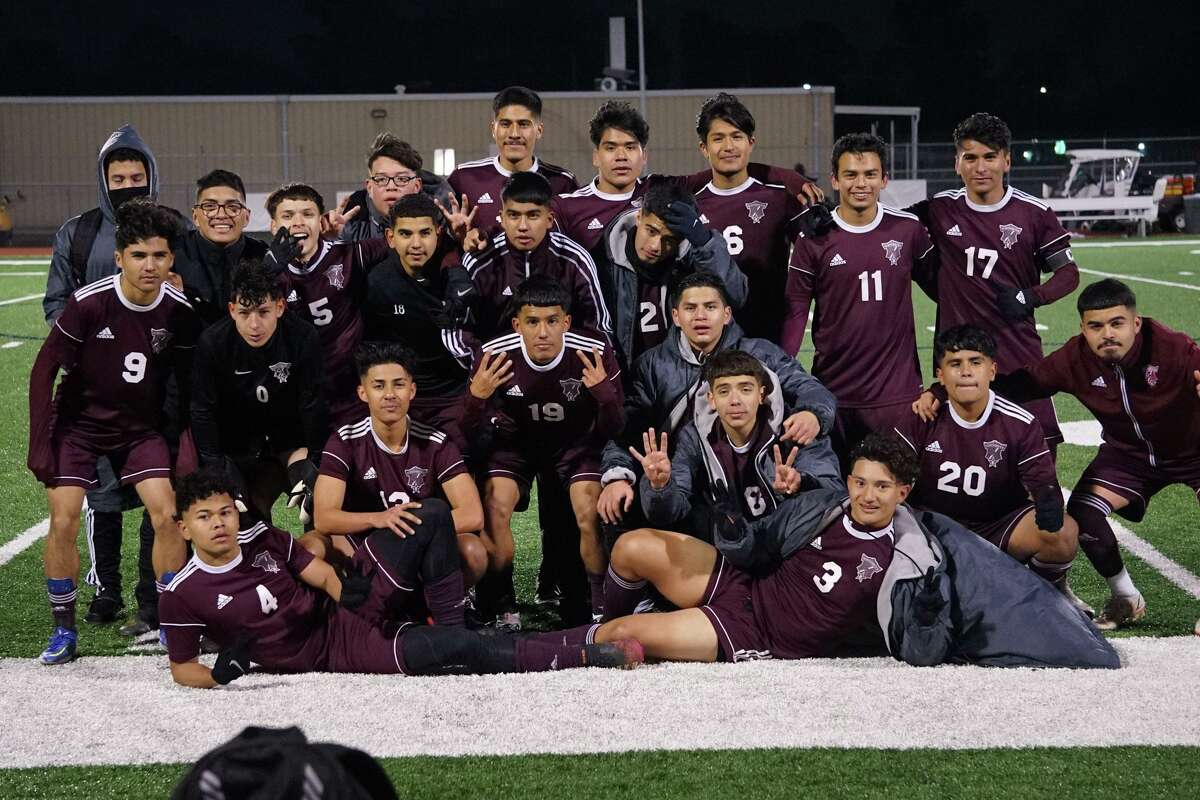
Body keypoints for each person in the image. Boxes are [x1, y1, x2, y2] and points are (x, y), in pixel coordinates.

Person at [158, 470, 643, 688]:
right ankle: (583, 648)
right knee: (459, 653)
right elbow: (182, 668)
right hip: (335, 653)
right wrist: (217, 676)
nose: (220, 523)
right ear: (184, 528)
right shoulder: (182, 593)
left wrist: (340, 588)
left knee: (429, 513)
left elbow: (313, 568)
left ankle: (451, 620)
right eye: (205, 517)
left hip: (342, 612)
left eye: (225, 512)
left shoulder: (262, 537)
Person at [917, 279, 1200, 629]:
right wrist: (943, 389)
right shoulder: (1074, 358)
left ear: (1136, 323)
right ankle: (1126, 596)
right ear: (1082, 328)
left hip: (1194, 454)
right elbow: (1020, 384)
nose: (1107, 334)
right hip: (1129, 456)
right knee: (1082, 514)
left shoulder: (1174, 349)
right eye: (1096, 326)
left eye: (1117, 324)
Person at [552, 435, 913, 663]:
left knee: (623, 636)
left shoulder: (908, 556)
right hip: (746, 581)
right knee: (633, 546)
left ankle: (515, 654)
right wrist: (733, 533)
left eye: (882, 487)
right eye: (861, 483)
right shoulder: (828, 504)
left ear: (903, 492)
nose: (868, 495)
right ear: (850, 482)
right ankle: (602, 622)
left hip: (753, 630)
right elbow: (762, 541)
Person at [27, 199, 200, 664]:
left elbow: (187, 381)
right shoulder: (89, 303)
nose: (150, 265)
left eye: (160, 256)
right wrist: (39, 442)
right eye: (139, 255)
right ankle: (63, 629)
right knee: (63, 518)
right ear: (119, 256)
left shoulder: (179, 310)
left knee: (167, 516)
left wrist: (184, 441)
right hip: (79, 427)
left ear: (171, 260)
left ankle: (169, 619)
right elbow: (43, 372)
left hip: (139, 429)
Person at [598, 273, 839, 530]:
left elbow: (810, 388)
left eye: (710, 307)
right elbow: (629, 427)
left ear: (726, 315)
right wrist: (617, 474)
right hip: (678, 472)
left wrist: (813, 413)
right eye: (690, 308)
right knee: (623, 514)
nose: (700, 316)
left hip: (750, 471)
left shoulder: (760, 354)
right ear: (676, 317)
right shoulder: (652, 365)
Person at [43, 124, 162, 629]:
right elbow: (55, 303)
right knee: (101, 496)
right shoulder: (80, 232)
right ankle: (106, 590)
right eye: (119, 177)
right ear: (103, 180)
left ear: (151, 177)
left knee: (160, 495)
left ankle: (150, 595)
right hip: (93, 392)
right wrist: (86, 345)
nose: (128, 185)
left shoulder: (169, 228)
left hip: (153, 389)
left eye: (137, 176)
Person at [909, 113, 1079, 454]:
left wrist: (1031, 296)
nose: (980, 167)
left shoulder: (1034, 213)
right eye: (970, 157)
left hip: (1019, 356)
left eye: (990, 156)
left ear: (1007, 160)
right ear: (957, 163)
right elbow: (886, 224)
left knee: (1039, 455)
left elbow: (1068, 275)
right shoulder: (940, 208)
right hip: (960, 361)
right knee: (965, 460)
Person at [463, 277, 623, 628]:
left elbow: (615, 427)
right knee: (495, 507)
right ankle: (502, 604)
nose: (543, 332)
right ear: (517, 324)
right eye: (533, 322)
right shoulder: (494, 354)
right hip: (515, 446)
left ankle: (598, 605)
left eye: (552, 321)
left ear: (566, 322)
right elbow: (467, 431)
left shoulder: (592, 350)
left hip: (575, 444)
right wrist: (476, 398)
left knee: (588, 511)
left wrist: (605, 396)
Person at [305, 341, 488, 628]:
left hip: (413, 545)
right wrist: (380, 519)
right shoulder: (344, 440)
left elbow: (472, 514)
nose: (390, 395)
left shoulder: (435, 442)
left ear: (412, 390)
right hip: (360, 544)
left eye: (398, 384)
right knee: (310, 548)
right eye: (379, 386)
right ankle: (325, 618)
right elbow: (324, 517)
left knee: (473, 551)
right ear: (363, 393)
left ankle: (432, 610)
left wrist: (410, 529)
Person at [783, 133, 938, 466]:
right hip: (832, 395)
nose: (861, 183)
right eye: (851, 175)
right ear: (835, 180)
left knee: (898, 493)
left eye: (870, 174)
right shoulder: (814, 238)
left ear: (884, 179)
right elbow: (796, 312)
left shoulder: (907, 229)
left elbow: (944, 293)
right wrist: (782, 375)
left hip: (896, 396)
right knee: (836, 495)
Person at [894, 325, 1080, 598]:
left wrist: (1047, 498)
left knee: (1062, 533)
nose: (966, 371)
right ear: (940, 376)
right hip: (930, 527)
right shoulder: (922, 416)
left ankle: (1046, 595)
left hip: (996, 526)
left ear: (992, 370)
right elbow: (890, 475)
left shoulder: (1020, 422)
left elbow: (1043, 483)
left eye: (975, 362)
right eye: (955, 364)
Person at [556, 100, 825, 253]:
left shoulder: (658, 189)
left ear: (644, 155)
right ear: (595, 155)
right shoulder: (568, 207)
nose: (621, 156)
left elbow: (727, 167)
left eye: (630, 147)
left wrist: (790, 177)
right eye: (610, 148)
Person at [634, 350, 833, 532]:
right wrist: (661, 488)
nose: (735, 400)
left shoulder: (794, 428)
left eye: (745, 389)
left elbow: (834, 492)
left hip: (789, 544)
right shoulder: (695, 436)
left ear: (762, 394)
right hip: (727, 547)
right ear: (711, 399)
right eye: (723, 391)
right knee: (633, 545)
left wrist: (801, 484)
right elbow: (669, 514)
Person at [190, 261, 327, 523]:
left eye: (263, 312)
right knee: (242, 518)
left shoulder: (303, 337)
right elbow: (202, 410)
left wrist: (316, 461)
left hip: (290, 442)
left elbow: (313, 404)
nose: (254, 325)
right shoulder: (212, 343)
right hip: (238, 445)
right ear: (231, 310)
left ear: (279, 307)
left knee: (320, 504)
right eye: (244, 313)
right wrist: (217, 467)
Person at [263, 183, 391, 425]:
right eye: (287, 216)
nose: (298, 222)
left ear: (321, 223)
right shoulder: (264, 273)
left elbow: (404, 243)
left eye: (308, 214)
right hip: (293, 397)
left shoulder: (349, 255)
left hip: (350, 397)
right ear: (272, 226)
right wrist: (268, 271)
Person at [592, 181, 747, 374]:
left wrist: (705, 243)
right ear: (639, 217)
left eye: (669, 239)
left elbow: (736, 297)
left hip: (675, 379)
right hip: (619, 377)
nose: (656, 246)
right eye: (651, 231)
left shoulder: (693, 260)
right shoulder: (602, 258)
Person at [446, 171, 611, 349]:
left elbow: (599, 329)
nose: (523, 226)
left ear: (549, 219)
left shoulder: (575, 260)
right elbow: (455, 331)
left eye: (533, 215)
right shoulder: (480, 261)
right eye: (514, 216)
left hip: (562, 371)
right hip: (496, 371)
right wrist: (480, 365)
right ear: (502, 218)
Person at [691, 93, 808, 342]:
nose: (729, 147)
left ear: (751, 142)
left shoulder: (781, 198)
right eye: (718, 138)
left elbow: (814, 263)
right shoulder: (691, 204)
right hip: (711, 344)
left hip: (769, 339)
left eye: (737, 137)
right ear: (704, 147)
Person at [363, 194, 470, 441]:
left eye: (424, 233)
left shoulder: (458, 274)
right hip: (403, 396)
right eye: (405, 234)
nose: (416, 244)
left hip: (454, 394)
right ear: (390, 237)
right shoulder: (377, 282)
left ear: (438, 234)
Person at [448, 86, 578, 236]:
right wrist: (455, 236)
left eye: (523, 124)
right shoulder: (463, 177)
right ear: (493, 130)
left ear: (539, 130)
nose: (514, 134)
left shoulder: (563, 182)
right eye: (505, 124)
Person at [172, 169, 269, 327]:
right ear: (195, 216)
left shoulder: (263, 255)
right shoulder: (172, 254)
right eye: (210, 207)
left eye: (233, 207)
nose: (221, 214)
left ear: (247, 217)